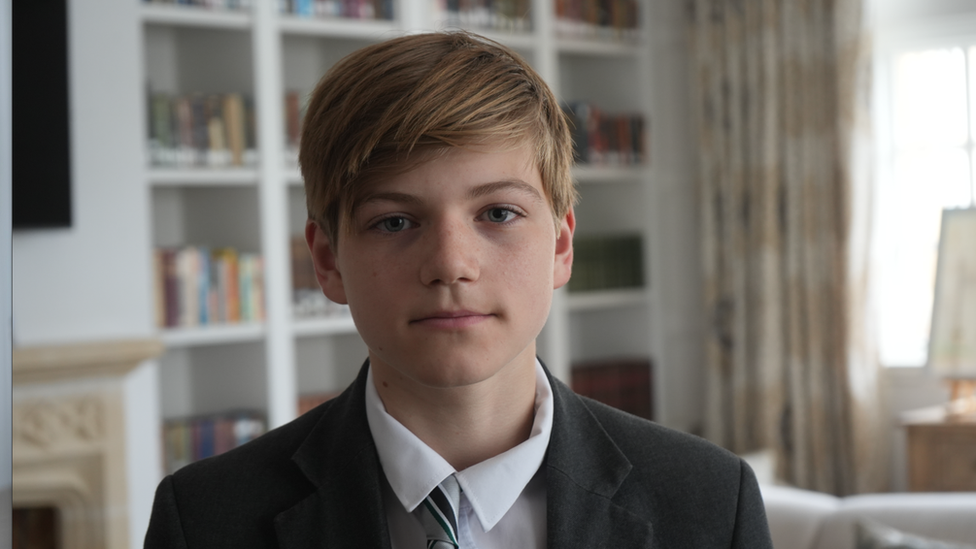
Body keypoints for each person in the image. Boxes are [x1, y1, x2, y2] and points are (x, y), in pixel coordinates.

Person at [144, 31, 772, 549]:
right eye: (394, 222)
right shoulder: (202, 521)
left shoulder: (712, 505)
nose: (450, 265)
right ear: (328, 260)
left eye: (498, 213)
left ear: (560, 245)